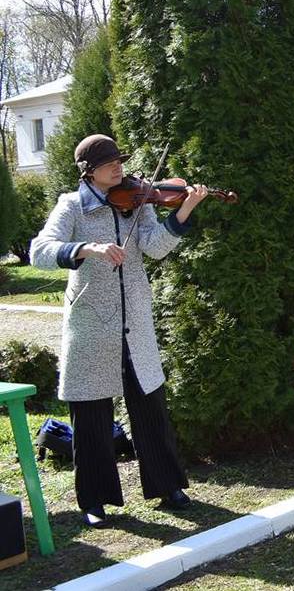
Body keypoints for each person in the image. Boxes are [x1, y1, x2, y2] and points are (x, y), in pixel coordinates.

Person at [31, 134, 209, 527]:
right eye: (110, 162)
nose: (119, 167)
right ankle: (94, 501)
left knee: (150, 405)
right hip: (92, 324)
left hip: (135, 322)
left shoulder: (137, 202)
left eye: (120, 160)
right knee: (91, 414)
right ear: (89, 170)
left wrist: (184, 212)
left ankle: (167, 485)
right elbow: (39, 250)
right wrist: (85, 249)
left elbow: (155, 246)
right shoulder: (72, 205)